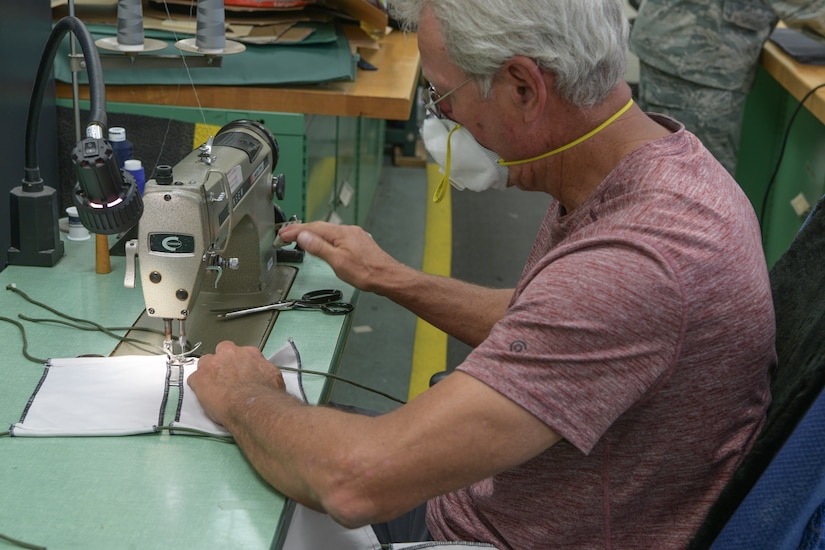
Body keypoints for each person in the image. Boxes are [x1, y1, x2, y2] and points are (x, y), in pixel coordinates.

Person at [188, 0, 777, 547]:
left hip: (488, 536)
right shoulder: (643, 162)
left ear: (524, 88)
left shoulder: (642, 262)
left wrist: (244, 394)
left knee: (212, 499)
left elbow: (354, 483)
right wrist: (391, 277)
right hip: (505, 498)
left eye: (445, 98)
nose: (445, 119)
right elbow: (550, 325)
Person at [629, 0, 825, 175]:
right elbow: (811, 9)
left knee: (670, 168)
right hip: (695, 65)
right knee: (698, 179)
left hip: (681, 49)